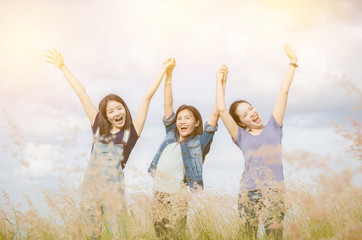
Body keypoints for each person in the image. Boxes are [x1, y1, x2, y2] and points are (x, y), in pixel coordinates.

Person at [46, 48, 174, 239]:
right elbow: (81, 92)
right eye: (111, 111)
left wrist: (165, 72)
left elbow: (147, 97)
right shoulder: (97, 125)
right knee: (92, 233)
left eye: (119, 108)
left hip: (114, 192)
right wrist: (63, 66)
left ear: (125, 109)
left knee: (117, 234)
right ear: (105, 116)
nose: (116, 113)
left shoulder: (132, 131)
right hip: (91, 189)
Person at [215, 44, 298, 239]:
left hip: (275, 194)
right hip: (249, 193)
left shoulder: (274, 126)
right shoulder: (240, 136)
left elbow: (283, 92)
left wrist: (293, 63)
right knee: (247, 236)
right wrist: (219, 81)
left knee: (274, 236)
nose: (252, 113)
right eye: (245, 114)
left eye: (251, 108)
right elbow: (221, 110)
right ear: (241, 123)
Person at [148, 59, 225, 239]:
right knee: (161, 235)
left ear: (196, 122)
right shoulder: (171, 134)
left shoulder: (199, 142)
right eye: (180, 118)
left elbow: (215, 113)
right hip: (158, 194)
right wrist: (169, 73)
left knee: (176, 235)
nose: (182, 121)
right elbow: (168, 105)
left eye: (187, 118)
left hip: (177, 197)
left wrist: (220, 81)